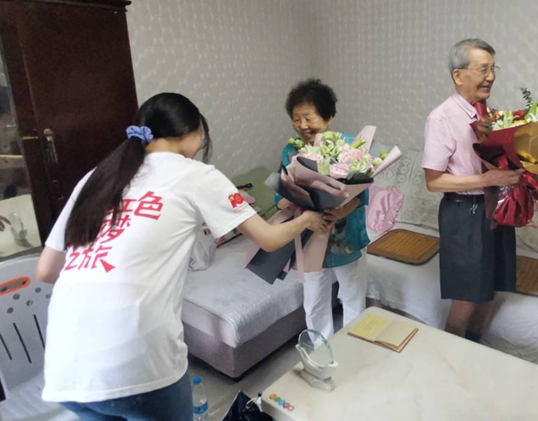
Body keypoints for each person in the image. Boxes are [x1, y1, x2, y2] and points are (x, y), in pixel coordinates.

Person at [35, 93, 327, 420]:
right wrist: (306, 219)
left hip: (66, 366)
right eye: (201, 133)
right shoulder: (196, 175)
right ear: (190, 132)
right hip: (137, 360)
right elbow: (269, 239)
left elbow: (46, 270)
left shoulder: (96, 177)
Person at [422, 39, 523, 342]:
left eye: (493, 69)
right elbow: (433, 181)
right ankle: (451, 357)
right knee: (466, 298)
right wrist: (488, 180)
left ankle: (474, 349)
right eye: (483, 69)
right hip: (463, 214)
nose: (491, 76)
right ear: (458, 75)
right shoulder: (441, 118)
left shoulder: (489, 115)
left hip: (496, 209)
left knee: (490, 289)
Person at [275, 79, 370, 340]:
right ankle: (321, 352)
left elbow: (361, 193)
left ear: (328, 116)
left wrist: (337, 213)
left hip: (346, 237)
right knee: (314, 301)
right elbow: (282, 194)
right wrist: (299, 210)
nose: (302, 125)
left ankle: (353, 350)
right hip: (310, 235)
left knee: (352, 296)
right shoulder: (291, 150)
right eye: (296, 119)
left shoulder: (350, 147)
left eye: (308, 117)